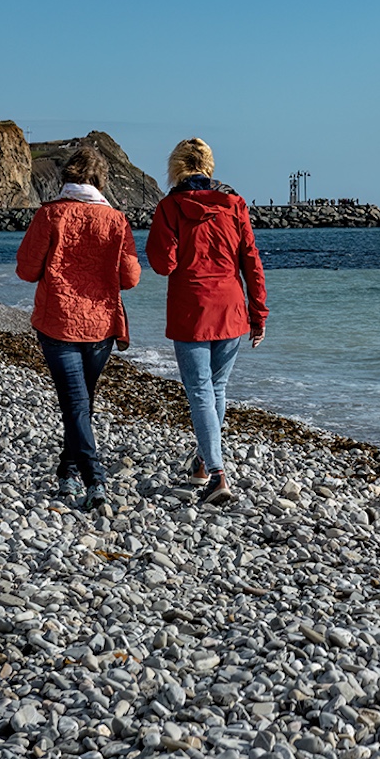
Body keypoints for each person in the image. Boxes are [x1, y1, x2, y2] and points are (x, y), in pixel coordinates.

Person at [15, 145, 140, 512]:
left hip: (59, 321)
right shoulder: (116, 220)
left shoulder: (50, 215)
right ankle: (83, 476)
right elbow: (131, 278)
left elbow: (26, 271)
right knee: (80, 403)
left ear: (65, 178)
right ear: (100, 180)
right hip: (101, 323)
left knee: (76, 404)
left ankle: (85, 477)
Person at [147, 137, 267, 506]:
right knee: (216, 389)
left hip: (191, 310)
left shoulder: (170, 207)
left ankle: (217, 473)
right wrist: (259, 313)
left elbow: (162, 264)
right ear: (209, 166)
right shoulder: (234, 204)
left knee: (201, 390)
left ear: (176, 167)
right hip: (231, 308)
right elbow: (251, 261)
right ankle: (202, 463)